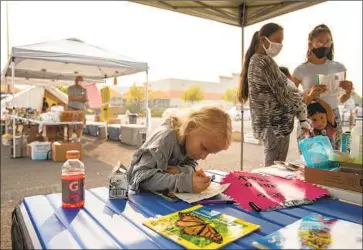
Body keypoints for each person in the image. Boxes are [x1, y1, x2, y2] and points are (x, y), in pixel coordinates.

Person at [238, 23, 306, 167]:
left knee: (272, 164)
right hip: (277, 125)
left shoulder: (254, 60)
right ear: (263, 40)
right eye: (277, 40)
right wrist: (303, 98)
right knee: (274, 168)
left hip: (271, 126)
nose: (280, 45)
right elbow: (285, 96)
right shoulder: (264, 61)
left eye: (281, 41)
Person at [127, 106, 232, 193]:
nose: (203, 157)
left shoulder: (190, 145)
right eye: (204, 148)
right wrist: (184, 183)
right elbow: (139, 177)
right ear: (191, 127)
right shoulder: (165, 138)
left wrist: (179, 171)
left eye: (210, 153)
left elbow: (191, 165)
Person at [292, 24, 354, 150]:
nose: (325, 45)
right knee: (308, 155)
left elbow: (340, 99)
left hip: (332, 116)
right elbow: (292, 100)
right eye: (320, 42)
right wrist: (310, 95)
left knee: (333, 155)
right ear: (311, 44)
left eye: (328, 41)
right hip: (310, 116)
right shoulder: (300, 70)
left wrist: (348, 92)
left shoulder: (339, 67)